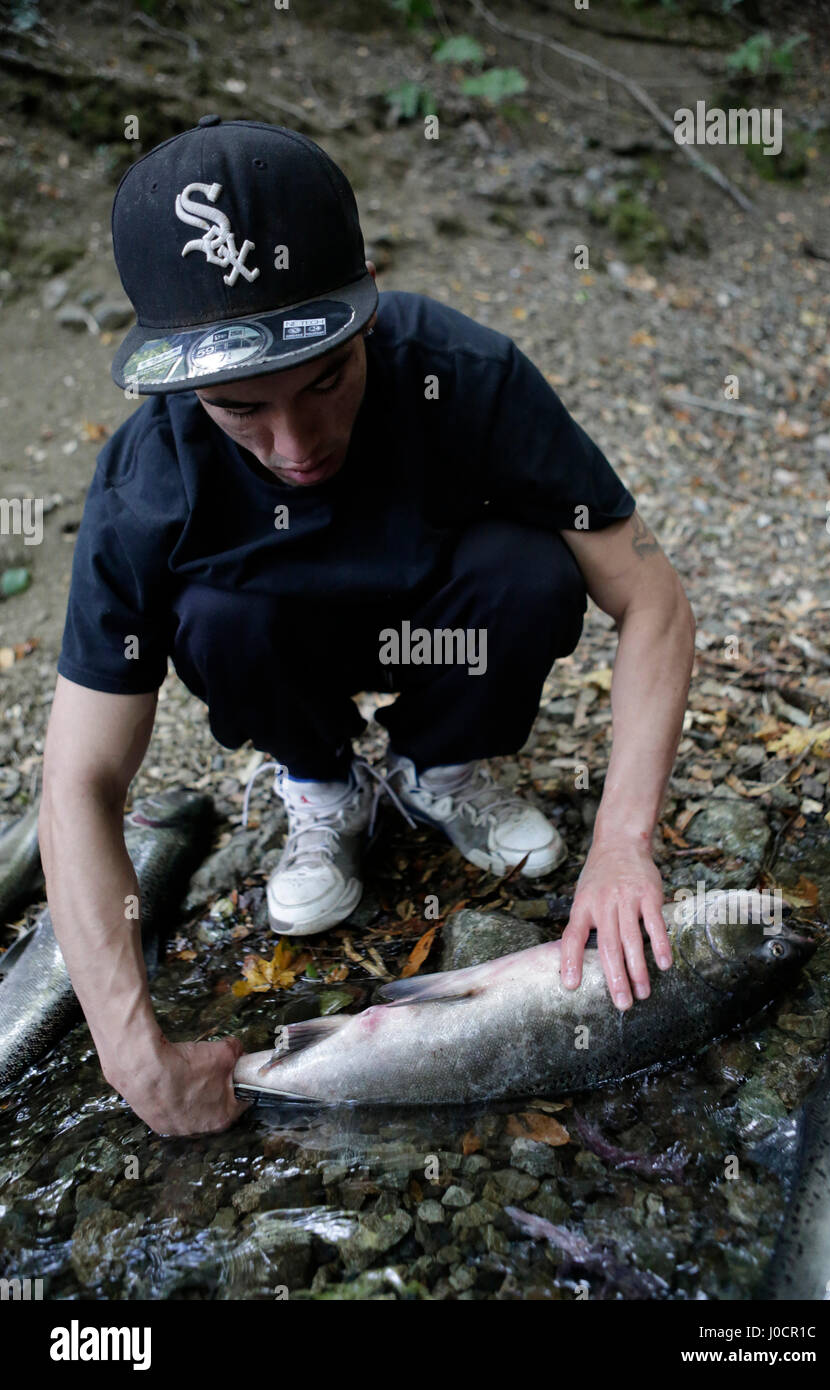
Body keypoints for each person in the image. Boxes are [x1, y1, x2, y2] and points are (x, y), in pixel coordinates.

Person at [39, 117, 695, 1137]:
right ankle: (322, 781)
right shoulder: (145, 486)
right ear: (180, 378)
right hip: (273, 655)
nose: (294, 443)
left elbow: (648, 596)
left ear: (368, 309)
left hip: (446, 626)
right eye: (238, 407)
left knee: (529, 566)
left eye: (324, 380)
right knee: (210, 612)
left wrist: (622, 843)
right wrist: (135, 1055)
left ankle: (445, 766)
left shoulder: (462, 373)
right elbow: (77, 781)